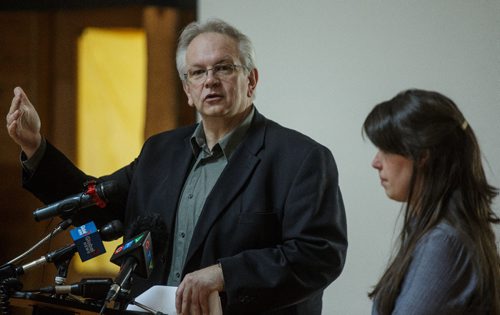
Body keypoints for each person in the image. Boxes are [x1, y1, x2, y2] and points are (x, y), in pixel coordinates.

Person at [6, 19, 347, 315]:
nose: (210, 80)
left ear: (251, 81)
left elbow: (319, 256)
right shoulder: (160, 152)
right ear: (187, 89)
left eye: (224, 68)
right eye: (198, 72)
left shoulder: (300, 158)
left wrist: (224, 274)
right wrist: (35, 146)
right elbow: (94, 205)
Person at [363, 89, 500, 315]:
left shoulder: (444, 241)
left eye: (386, 149)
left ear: (422, 155)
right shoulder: (437, 230)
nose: (375, 162)